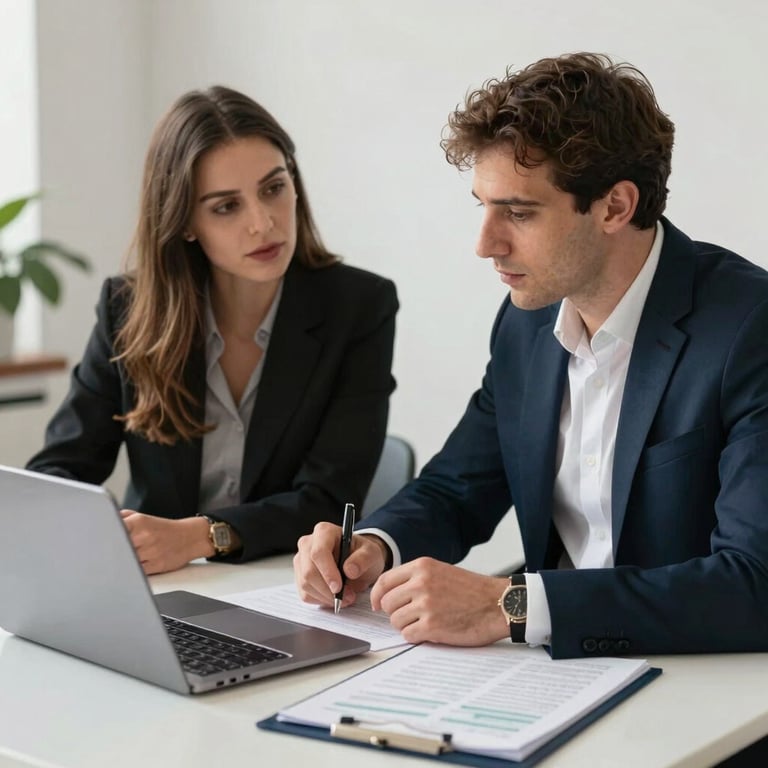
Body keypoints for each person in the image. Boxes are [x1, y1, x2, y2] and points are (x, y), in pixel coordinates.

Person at [294, 52, 768, 659]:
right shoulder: (528, 322)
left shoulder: (748, 330)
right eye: (483, 207)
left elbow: (752, 585)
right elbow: (457, 488)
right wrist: (373, 546)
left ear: (615, 207)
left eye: (518, 212)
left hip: (692, 682)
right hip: (549, 672)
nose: (485, 244)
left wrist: (510, 605)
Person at [27, 85, 398, 575]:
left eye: (273, 188)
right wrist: (106, 532)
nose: (262, 223)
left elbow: (329, 499)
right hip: (162, 585)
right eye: (226, 206)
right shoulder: (128, 310)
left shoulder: (359, 306)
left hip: (286, 585)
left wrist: (202, 535)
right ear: (184, 221)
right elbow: (58, 472)